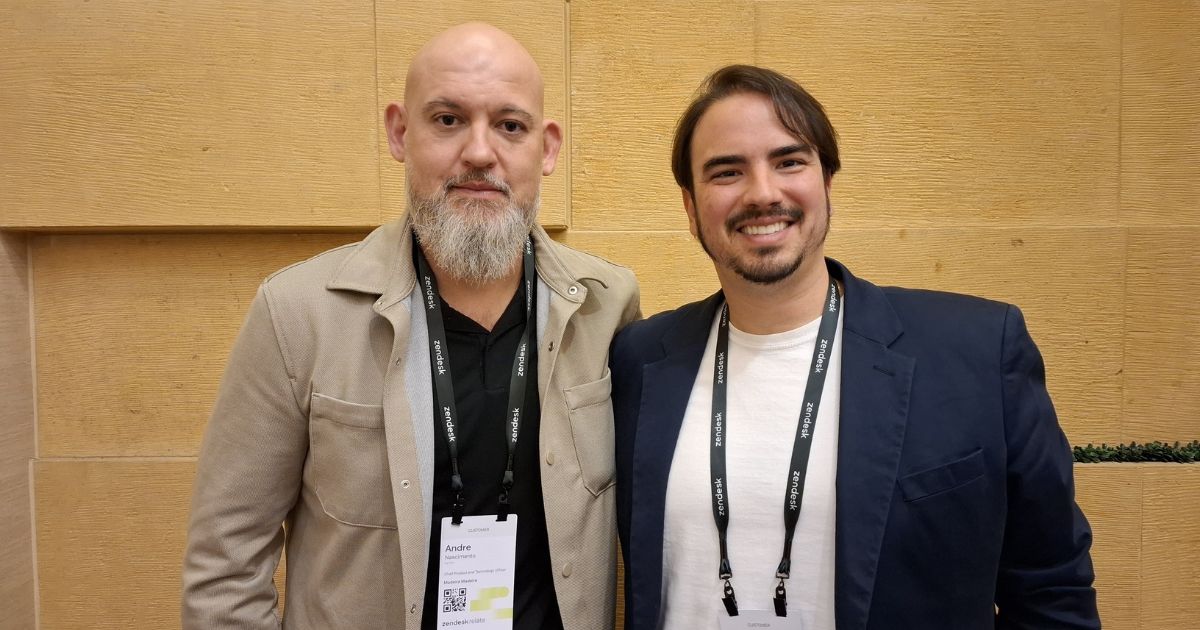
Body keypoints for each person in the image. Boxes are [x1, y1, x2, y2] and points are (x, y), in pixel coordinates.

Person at [183, 22, 639, 630]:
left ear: (547, 147)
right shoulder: (297, 312)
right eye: (448, 120)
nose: (480, 153)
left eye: (510, 125)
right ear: (401, 132)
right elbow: (226, 562)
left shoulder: (606, 307)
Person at [610, 65, 1099, 630]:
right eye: (726, 172)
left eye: (789, 162)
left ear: (826, 184)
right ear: (691, 208)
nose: (763, 193)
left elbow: (1050, 587)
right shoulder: (638, 361)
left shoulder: (977, 352)